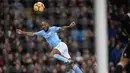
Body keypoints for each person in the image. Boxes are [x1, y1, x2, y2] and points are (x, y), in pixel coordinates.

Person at [16, 21, 83, 73]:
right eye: (42, 25)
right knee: (72, 66)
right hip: (60, 48)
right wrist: (23, 32)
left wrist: (69, 26)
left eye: (44, 25)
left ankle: (67, 62)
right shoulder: (42, 32)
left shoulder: (53, 28)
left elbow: (61, 28)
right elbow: (32, 33)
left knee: (51, 54)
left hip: (61, 45)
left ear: (47, 25)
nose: (43, 26)